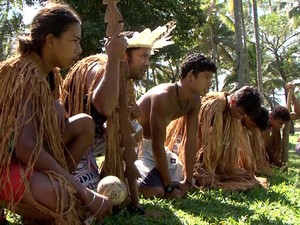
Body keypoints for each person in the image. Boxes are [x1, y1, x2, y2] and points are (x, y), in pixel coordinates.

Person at [0, 3, 111, 224]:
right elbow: (25, 147)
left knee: (84, 125)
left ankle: (47, 193)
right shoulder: (25, 74)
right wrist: (82, 191)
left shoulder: (47, 75)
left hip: (20, 162)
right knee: (62, 197)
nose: (79, 50)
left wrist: (55, 106)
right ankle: (45, 197)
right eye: (75, 41)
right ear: (50, 41)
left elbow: (48, 132)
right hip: (5, 164)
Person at [61, 22, 177, 209]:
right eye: (143, 57)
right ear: (124, 54)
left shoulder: (125, 82)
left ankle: (105, 171)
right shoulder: (98, 69)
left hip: (93, 141)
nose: (147, 63)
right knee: (83, 200)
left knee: (132, 136)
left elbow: (126, 129)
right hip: (69, 142)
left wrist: (131, 114)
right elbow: (105, 107)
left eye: (149, 57)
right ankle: (66, 175)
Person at [135, 53, 217, 199]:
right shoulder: (162, 97)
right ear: (191, 76)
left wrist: (188, 180)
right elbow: (156, 144)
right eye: (206, 77)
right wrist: (168, 187)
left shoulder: (194, 100)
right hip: (136, 145)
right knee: (156, 191)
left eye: (211, 78)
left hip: (155, 148)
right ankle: (123, 171)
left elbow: (190, 140)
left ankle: (161, 178)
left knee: (188, 178)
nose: (210, 83)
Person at [190, 86, 263, 191]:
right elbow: (194, 140)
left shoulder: (231, 112)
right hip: (191, 159)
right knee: (205, 180)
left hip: (210, 166)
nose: (240, 117)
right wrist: (198, 166)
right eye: (241, 113)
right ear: (233, 102)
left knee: (248, 176)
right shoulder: (213, 106)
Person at [262, 83, 300, 166]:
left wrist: (292, 94)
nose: (281, 126)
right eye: (279, 123)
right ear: (271, 118)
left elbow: (298, 114)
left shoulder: (280, 117)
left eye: (282, 124)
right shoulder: (262, 120)